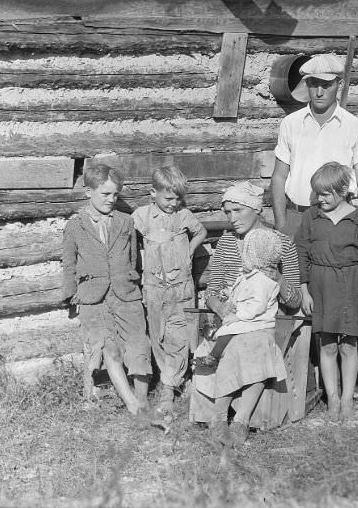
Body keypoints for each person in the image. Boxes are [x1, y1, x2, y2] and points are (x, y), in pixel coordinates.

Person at [192, 181, 302, 446]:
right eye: (227, 212)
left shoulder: (280, 244)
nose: (231, 219)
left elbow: (295, 298)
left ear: (256, 208)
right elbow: (212, 289)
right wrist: (221, 306)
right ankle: (219, 419)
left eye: (237, 211)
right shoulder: (227, 242)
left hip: (265, 322)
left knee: (250, 343)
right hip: (232, 320)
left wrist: (276, 278)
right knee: (234, 342)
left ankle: (239, 420)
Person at [62, 164, 163, 427]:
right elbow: (69, 265)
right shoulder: (75, 226)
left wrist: (131, 283)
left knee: (140, 346)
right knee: (110, 350)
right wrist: (71, 297)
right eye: (105, 194)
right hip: (93, 297)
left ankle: (143, 402)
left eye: (116, 195)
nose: (111, 200)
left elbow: (132, 260)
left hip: (125, 293)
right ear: (88, 191)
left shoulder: (126, 222)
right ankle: (133, 407)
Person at [271, 54, 358, 249]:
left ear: (340, 84)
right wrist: (281, 223)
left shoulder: (355, 127)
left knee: (334, 277)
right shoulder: (291, 124)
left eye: (326, 85)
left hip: (338, 219)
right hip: (298, 217)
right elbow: (279, 176)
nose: (319, 92)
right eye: (313, 84)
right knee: (293, 278)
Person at [297, 162, 358, 420]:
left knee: (349, 346)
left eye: (325, 194)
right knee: (328, 345)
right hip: (321, 286)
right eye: (317, 193)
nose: (320, 199)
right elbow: (301, 253)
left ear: (342, 190)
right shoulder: (311, 217)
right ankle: (332, 398)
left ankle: (347, 400)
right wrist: (304, 288)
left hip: (351, 286)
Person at [131, 165, 206, 414]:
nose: (174, 203)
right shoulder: (141, 217)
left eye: (178, 199)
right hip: (153, 287)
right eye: (169, 198)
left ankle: (168, 389)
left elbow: (201, 231)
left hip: (181, 288)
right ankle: (168, 376)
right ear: (153, 193)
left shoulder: (184, 216)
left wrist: (190, 251)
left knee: (179, 335)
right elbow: (129, 240)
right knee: (158, 335)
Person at [193, 228, 284, 375]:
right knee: (223, 319)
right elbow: (242, 289)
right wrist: (229, 292)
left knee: (228, 331)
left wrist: (239, 316)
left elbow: (257, 306)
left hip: (256, 320)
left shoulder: (262, 280)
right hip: (247, 315)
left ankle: (213, 358)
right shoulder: (250, 275)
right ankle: (213, 332)